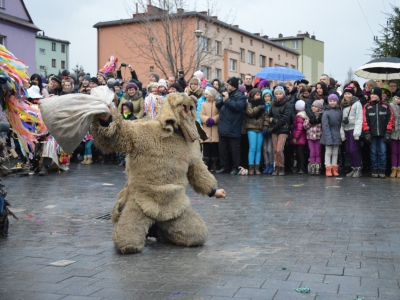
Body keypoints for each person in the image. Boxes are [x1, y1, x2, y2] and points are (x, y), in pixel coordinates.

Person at [216, 77, 246, 175]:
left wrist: (227, 100)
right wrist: (223, 99)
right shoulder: (226, 94)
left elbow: (238, 107)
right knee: (222, 149)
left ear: (232, 86)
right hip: (223, 126)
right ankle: (224, 166)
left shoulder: (241, 96)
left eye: (228, 84)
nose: (226, 86)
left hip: (233, 126)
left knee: (235, 150)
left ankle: (235, 167)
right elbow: (218, 105)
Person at [362, 87, 394, 179]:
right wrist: (367, 132)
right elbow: (365, 120)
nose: (372, 96)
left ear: (379, 95)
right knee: (373, 152)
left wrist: (388, 132)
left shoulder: (386, 105)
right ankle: (374, 169)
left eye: (375, 94)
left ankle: (382, 169)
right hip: (372, 134)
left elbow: (390, 119)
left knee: (382, 152)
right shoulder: (367, 106)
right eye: (371, 94)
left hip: (383, 134)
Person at [340, 86, 363, 177]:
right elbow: (341, 119)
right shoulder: (343, 104)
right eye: (345, 94)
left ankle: (358, 168)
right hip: (346, 129)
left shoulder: (357, 104)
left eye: (349, 94)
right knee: (348, 150)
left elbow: (359, 118)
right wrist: (341, 132)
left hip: (353, 129)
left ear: (353, 94)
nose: (347, 95)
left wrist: (357, 132)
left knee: (354, 150)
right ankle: (353, 168)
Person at [243, 88, 268, 175]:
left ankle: (257, 167)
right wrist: (259, 107)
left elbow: (266, 117)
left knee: (258, 149)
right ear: (253, 95)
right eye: (257, 95)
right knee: (252, 148)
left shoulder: (263, 104)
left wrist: (265, 127)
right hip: (251, 128)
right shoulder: (249, 103)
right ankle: (251, 166)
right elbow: (250, 113)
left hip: (260, 129)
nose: (258, 96)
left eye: (259, 95)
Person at [268, 86, 290, 176]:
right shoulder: (273, 104)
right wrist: (271, 123)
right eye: (276, 93)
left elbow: (285, 118)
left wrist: (274, 122)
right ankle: (276, 166)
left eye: (280, 93)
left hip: (283, 129)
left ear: (283, 94)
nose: (278, 95)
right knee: (275, 150)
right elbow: (270, 116)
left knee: (279, 149)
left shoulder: (287, 104)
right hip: (274, 129)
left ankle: (281, 167)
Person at [320, 94, 342, 177]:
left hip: (336, 133)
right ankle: (328, 167)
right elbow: (325, 126)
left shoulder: (339, 111)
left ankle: (334, 167)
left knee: (335, 152)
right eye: (330, 101)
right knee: (328, 152)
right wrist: (328, 138)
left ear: (337, 101)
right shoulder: (326, 112)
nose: (332, 102)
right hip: (328, 134)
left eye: (334, 101)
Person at [200, 87, 220, 172]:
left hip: (215, 129)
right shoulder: (204, 104)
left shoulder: (217, 104)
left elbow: (220, 114)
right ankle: (206, 164)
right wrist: (207, 119)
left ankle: (214, 165)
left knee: (215, 147)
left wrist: (214, 119)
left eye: (207, 94)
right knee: (207, 147)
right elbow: (201, 115)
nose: (205, 95)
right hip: (207, 128)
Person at [303, 99, 324, 175]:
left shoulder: (321, 116)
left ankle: (318, 166)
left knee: (318, 152)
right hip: (310, 137)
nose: (314, 108)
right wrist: (310, 122)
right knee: (312, 152)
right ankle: (312, 166)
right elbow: (305, 126)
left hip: (318, 137)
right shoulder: (309, 115)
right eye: (313, 106)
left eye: (316, 106)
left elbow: (323, 127)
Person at [291, 100, 307, 174]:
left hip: (299, 138)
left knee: (299, 153)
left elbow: (299, 128)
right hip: (302, 138)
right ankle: (300, 167)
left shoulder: (298, 116)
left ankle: (301, 167)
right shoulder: (303, 115)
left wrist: (295, 137)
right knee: (300, 153)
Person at [118, 102, 137, 167]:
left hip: (129, 135)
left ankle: (128, 161)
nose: (124, 110)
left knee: (128, 150)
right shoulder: (121, 117)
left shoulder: (133, 118)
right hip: (122, 135)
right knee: (121, 149)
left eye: (126, 109)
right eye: (123, 109)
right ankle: (122, 160)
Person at [261, 89, 274, 174]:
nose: (267, 98)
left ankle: (271, 165)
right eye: (265, 96)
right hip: (263, 129)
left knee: (270, 149)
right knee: (264, 149)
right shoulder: (262, 106)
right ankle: (266, 165)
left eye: (268, 96)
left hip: (271, 129)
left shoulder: (273, 105)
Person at [389, 91, 400, 178]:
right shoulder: (391, 106)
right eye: (397, 98)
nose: (398, 100)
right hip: (394, 131)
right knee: (394, 151)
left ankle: (399, 169)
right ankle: (394, 168)